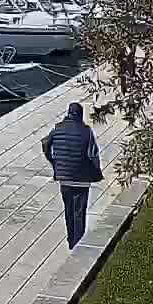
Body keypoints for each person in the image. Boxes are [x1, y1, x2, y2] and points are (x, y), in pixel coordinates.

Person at [42, 102, 103, 249]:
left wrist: (54, 162)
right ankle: (78, 243)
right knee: (79, 212)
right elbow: (93, 154)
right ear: (80, 115)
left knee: (69, 210)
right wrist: (97, 173)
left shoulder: (57, 128)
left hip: (65, 179)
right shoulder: (86, 131)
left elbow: (45, 143)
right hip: (82, 179)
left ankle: (71, 240)